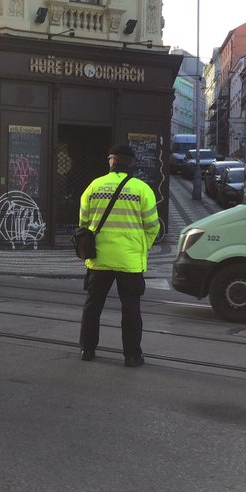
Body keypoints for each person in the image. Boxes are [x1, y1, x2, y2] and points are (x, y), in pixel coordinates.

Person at [78, 143, 160, 367]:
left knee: (93, 305)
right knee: (131, 308)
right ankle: (132, 356)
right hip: (129, 261)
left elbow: (83, 224)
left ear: (111, 161)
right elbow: (153, 226)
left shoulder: (94, 187)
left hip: (99, 259)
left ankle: (87, 349)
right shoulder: (142, 190)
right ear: (131, 163)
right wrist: (142, 245)